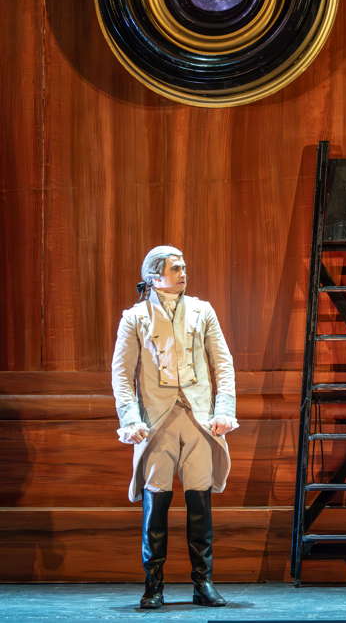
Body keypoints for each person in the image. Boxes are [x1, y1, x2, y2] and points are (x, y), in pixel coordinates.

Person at [111, 245, 238, 609]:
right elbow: (122, 374)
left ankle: (204, 582)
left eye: (184, 266)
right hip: (157, 421)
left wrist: (223, 410)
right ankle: (154, 586)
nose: (183, 273)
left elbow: (223, 364)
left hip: (198, 418)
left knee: (200, 500)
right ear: (154, 276)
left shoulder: (203, 311)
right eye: (175, 268)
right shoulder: (135, 317)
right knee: (157, 502)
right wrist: (130, 419)